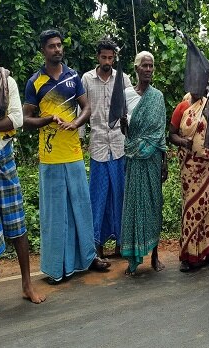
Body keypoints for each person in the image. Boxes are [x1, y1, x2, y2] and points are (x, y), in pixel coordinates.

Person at [23, 29, 110, 284]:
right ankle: (55, 267)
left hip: (73, 152)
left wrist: (76, 123)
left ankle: (88, 257)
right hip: (49, 157)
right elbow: (26, 120)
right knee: (54, 213)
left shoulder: (73, 77)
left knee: (81, 208)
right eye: (51, 46)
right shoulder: (35, 82)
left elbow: (87, 108)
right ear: (43, 50)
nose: (57, 49)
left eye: (59, 45)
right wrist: (46, 119)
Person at [0, 32, 45, 313]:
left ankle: (27, 285)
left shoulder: (8, 81)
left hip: (3, 158)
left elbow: (16, 119)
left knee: (17, 224)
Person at [82, 37, 132, 258]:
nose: (107, 61)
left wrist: (130, 128)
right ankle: (97, 245)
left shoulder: (123, 79)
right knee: (98, 197)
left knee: (120, 195)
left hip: (120, 145)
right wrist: (80, 139)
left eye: (111, 58)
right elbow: (80, 111)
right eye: (104, 57)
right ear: (97, 57)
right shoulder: (86, 79)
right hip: (99, 146)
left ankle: (122, 243)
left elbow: (132, 107)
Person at [119, 51, 167, 276]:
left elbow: (160, 133)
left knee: (154, 204)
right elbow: (126, 132)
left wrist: (165, 161)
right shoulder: (127, 94)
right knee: (133, 207)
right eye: (144, 66)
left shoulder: (157, 97)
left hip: (153, 158)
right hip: (133, 159)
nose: (148, 69)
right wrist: (122, 125)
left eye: (151, 66)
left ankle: (155, 255)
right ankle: (132, 260)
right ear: (137, 69)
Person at [169, 88, 209, 272]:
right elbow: (172, 134)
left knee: (208, 209)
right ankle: (188, 254)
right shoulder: (183, 107)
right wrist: (184, 142)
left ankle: (208, 251)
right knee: (191, 207)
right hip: (190, 167)